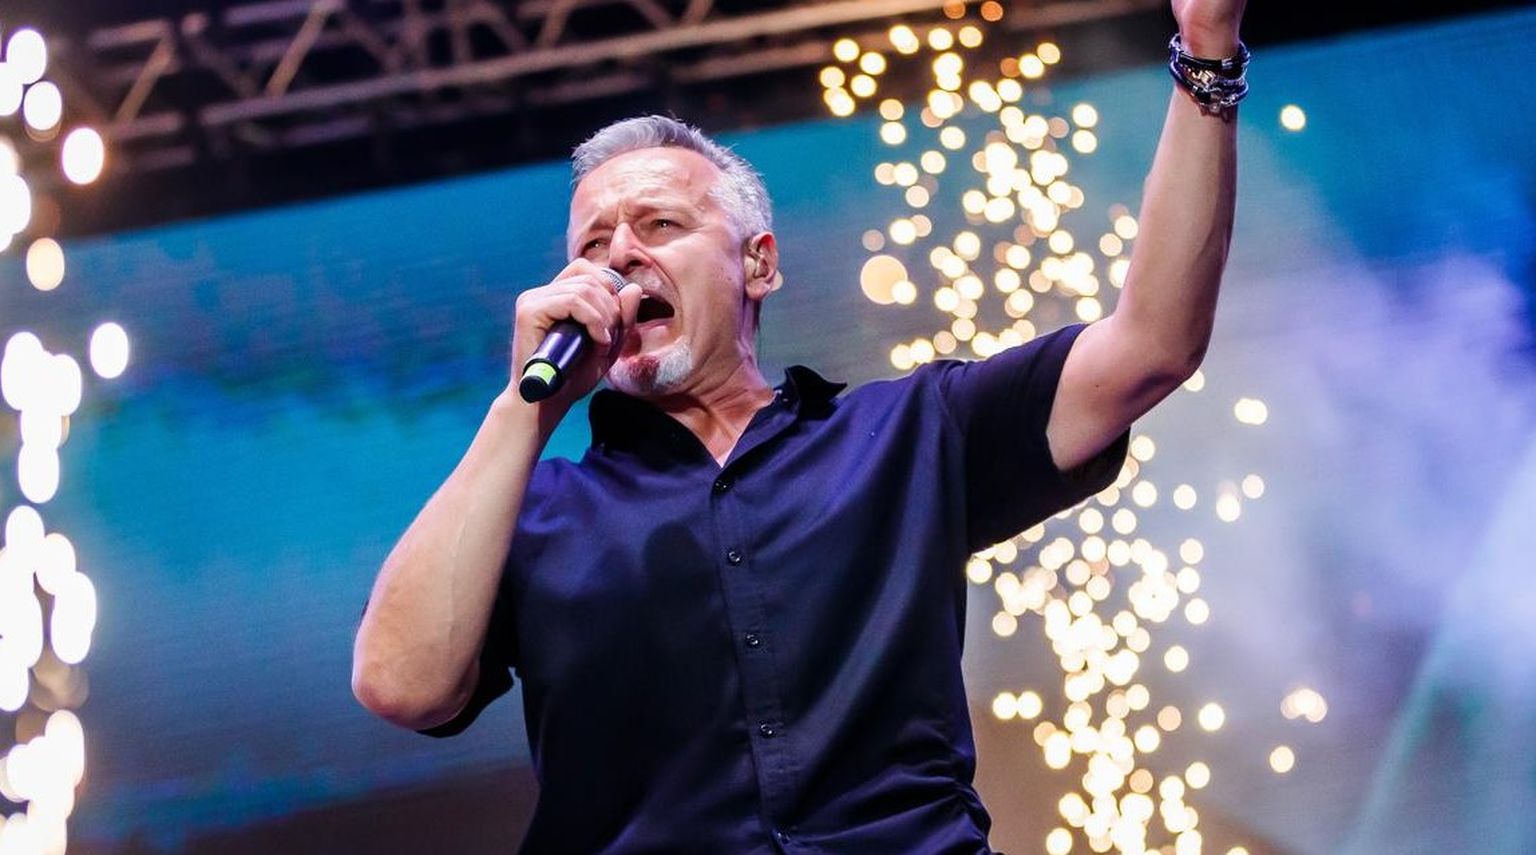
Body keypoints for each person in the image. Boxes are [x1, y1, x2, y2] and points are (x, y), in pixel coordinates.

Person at [353, 0, 1246, 849]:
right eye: (592, 244)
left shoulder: (906, 433)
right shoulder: (531, 512)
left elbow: (1152, 346)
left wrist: (1206, 53)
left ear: (758, 264)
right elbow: (400, 686)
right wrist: (526, 407)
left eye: (659, 223)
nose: (620, 255)